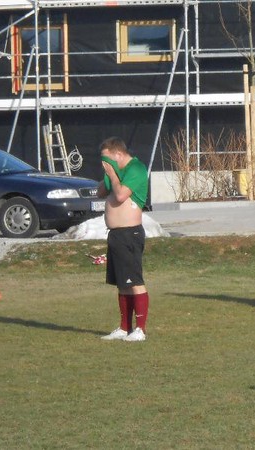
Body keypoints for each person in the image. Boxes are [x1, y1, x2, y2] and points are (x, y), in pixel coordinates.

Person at [97, 137, 150, 342]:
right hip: (116, 235)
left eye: (107, 159)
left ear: (118, 154)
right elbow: (101, 192)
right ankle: (124, 327)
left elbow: (120, 196)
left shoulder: (136, 168)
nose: (105, 163)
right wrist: (108, 174)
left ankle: (140, 329)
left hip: (130, 234)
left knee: (134, 281)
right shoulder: (116, 172)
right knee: (122, 283)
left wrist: (112, 174)